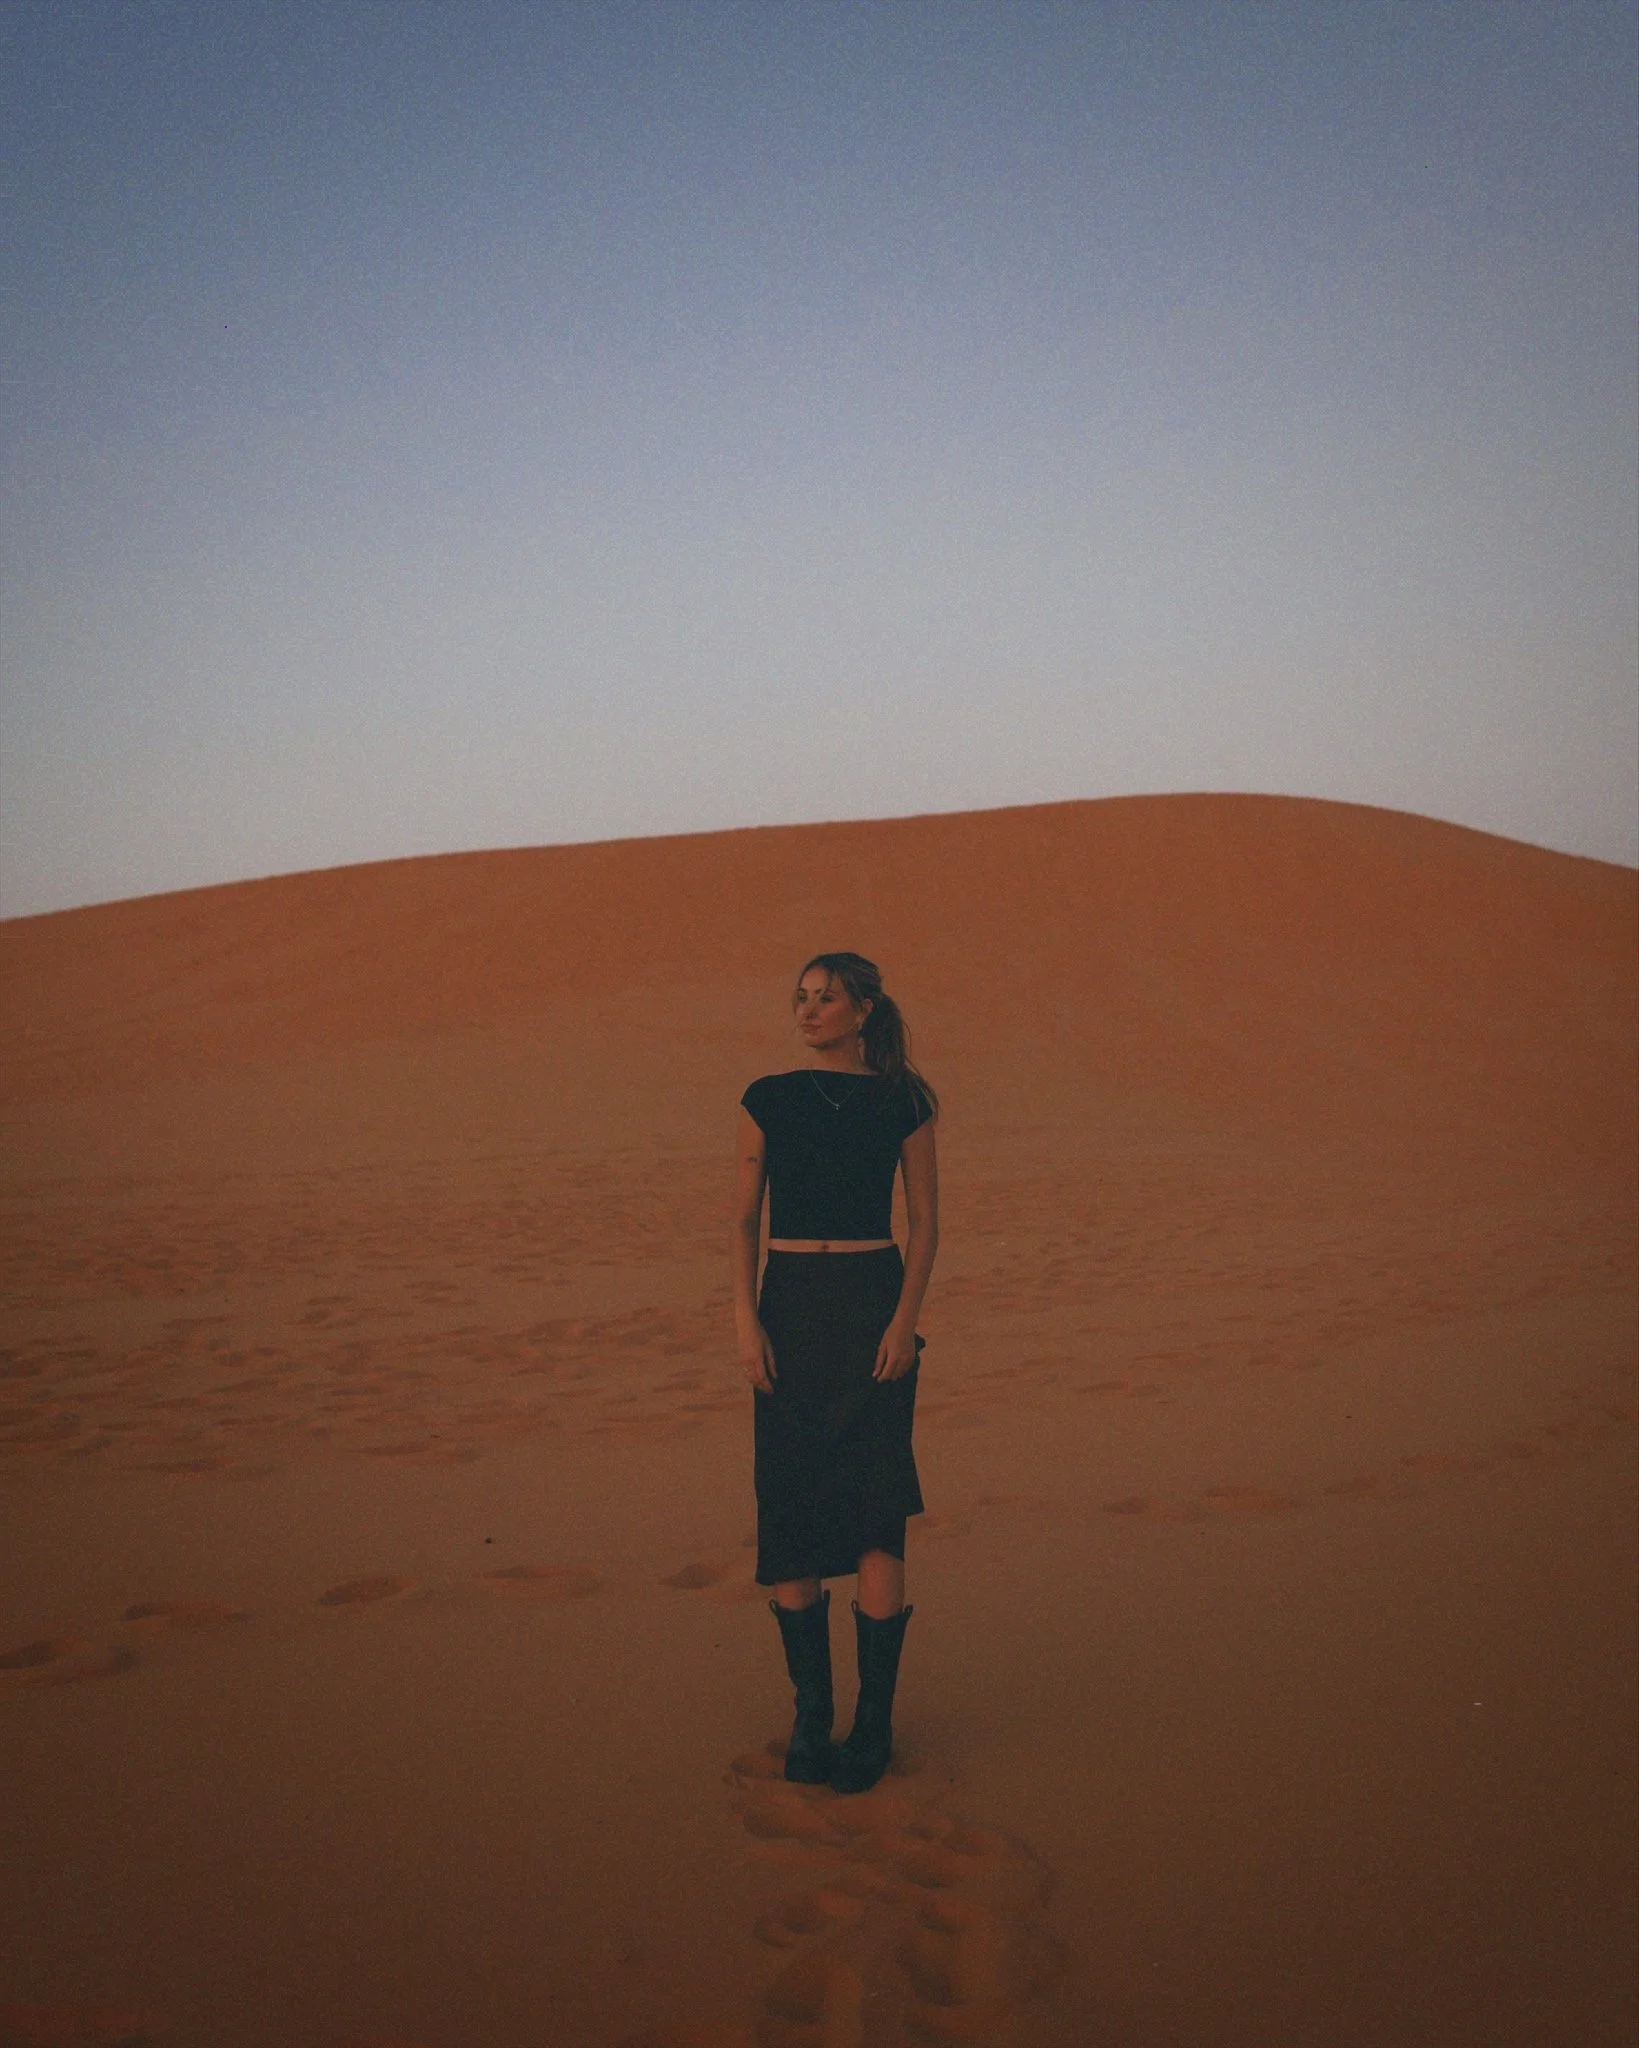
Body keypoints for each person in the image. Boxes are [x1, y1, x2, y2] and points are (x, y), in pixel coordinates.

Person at [732, 951, 939, 1794]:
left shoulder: (903, 1100)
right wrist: (745, 1321)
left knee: (874, 1503)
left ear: (862, 1011)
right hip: (787, 1304)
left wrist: (903, 1322)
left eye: (826, 998)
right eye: (801, 998)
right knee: (787, 1499)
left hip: (869, 1304)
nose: (808, 1010)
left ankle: (872, 1725)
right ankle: (811, 1718)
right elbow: (741, 1219)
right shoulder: (766, 1098)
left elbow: (925, 1222)